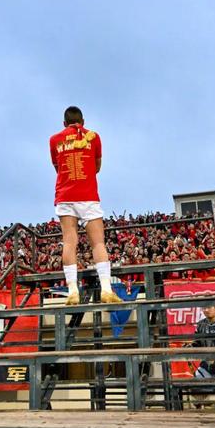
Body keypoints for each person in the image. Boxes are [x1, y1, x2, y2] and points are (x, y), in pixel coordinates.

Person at [49, 106, 121, 305]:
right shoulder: (94, 137)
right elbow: (97, 166)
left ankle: (72, 291)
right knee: (98, 243)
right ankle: (106, 289)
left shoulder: (54, 140)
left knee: (69, 242)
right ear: (83, 121)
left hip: (65, 195)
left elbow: (57, 168)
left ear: (64, 123)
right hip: (88, 195)